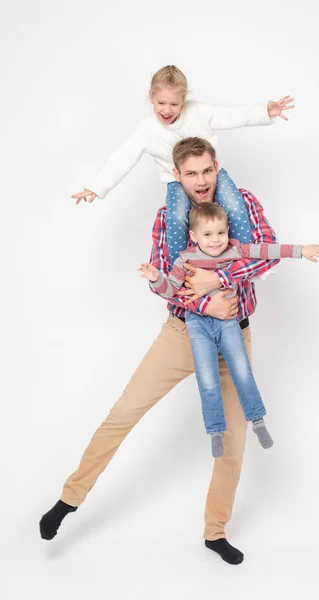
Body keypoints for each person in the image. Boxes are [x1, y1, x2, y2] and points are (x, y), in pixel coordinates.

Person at [40, 137, 283, 566]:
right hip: (182, 333)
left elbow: (267, 254)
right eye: (191, 173)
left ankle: (214, 532)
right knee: (123, 413)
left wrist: (218, 280)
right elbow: (165, 284)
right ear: (178, 175)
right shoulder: (168, 219)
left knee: (234, 443)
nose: (201, 181)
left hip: (234, 337)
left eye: (207, 170)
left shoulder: (241, 202)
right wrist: (206, 296)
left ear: (216, 167)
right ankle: (69, 499)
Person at [139, 202, 319, 457]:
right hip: (197, 323)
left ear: (227, 231)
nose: (216, 241)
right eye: (208, 235)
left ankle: (258, 421)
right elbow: (172, 291)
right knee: (207, 378)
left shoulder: (235, 250)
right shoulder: (185, 258)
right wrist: (156, 278)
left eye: (221, 233)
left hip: (229, 321)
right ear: (194, 237)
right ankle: (215, 430)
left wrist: (301, 249)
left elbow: (267, 250)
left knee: (242, 371)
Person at [71, 65, 294, 264]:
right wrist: (97, 187)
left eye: (174, 104)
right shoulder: (146, 130)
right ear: (151, 97)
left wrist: (265, 111)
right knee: (176, 216)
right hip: (174, 181)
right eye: (161, 103)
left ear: (184, 101)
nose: (167, 110)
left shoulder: (199, 113)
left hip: (216, 173)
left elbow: (232, 116)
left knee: (234, 205)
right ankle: (180, 269)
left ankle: (244, 257)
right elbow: (123, 157)